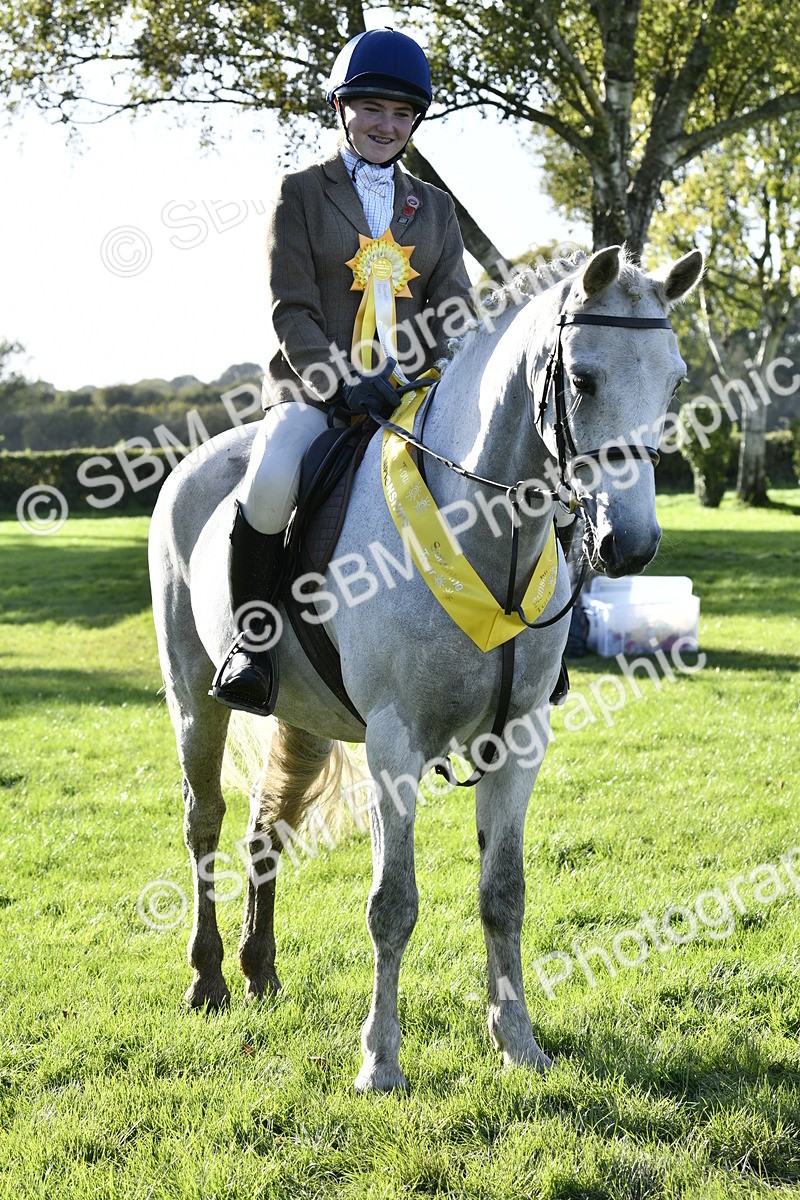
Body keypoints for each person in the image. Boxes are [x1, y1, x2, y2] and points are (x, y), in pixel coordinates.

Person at [211, 27, 476, 716]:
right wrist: (343, 383)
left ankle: (531, 650)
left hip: (414, 398)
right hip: (316, 393)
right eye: (373, 109)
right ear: (341, 108)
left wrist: (430, 377)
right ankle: (254, 644)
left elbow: (455, 310)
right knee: (270, 478)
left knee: (503, 469)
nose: (387, 125)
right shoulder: (300, 193)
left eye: (402, 114)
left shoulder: (436, 208)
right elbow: (291, 308)